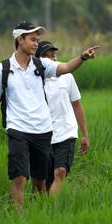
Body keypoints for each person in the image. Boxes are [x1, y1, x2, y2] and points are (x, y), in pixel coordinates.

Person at [0, 21, 98, 209]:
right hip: (17, 129)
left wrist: (82, 57)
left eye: (37, 40)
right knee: (18, 178)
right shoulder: (2, 69)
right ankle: (18, 223)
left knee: (39, 181)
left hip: (43, 131)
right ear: (20, 39)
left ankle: (41, 213)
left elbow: (66, 67)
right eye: (32, 39)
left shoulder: (42, 65)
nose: (36, 44)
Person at [35, 40, 89, 196]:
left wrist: (85, 134)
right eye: (46, 54)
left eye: (52, 52)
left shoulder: (66, 76)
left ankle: (51, 210)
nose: (51, 56)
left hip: (66, 132)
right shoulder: (34, 79)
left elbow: (77, 105)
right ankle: (41, 210)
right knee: (43, 180)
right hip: (43, 133)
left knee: (60, 171)